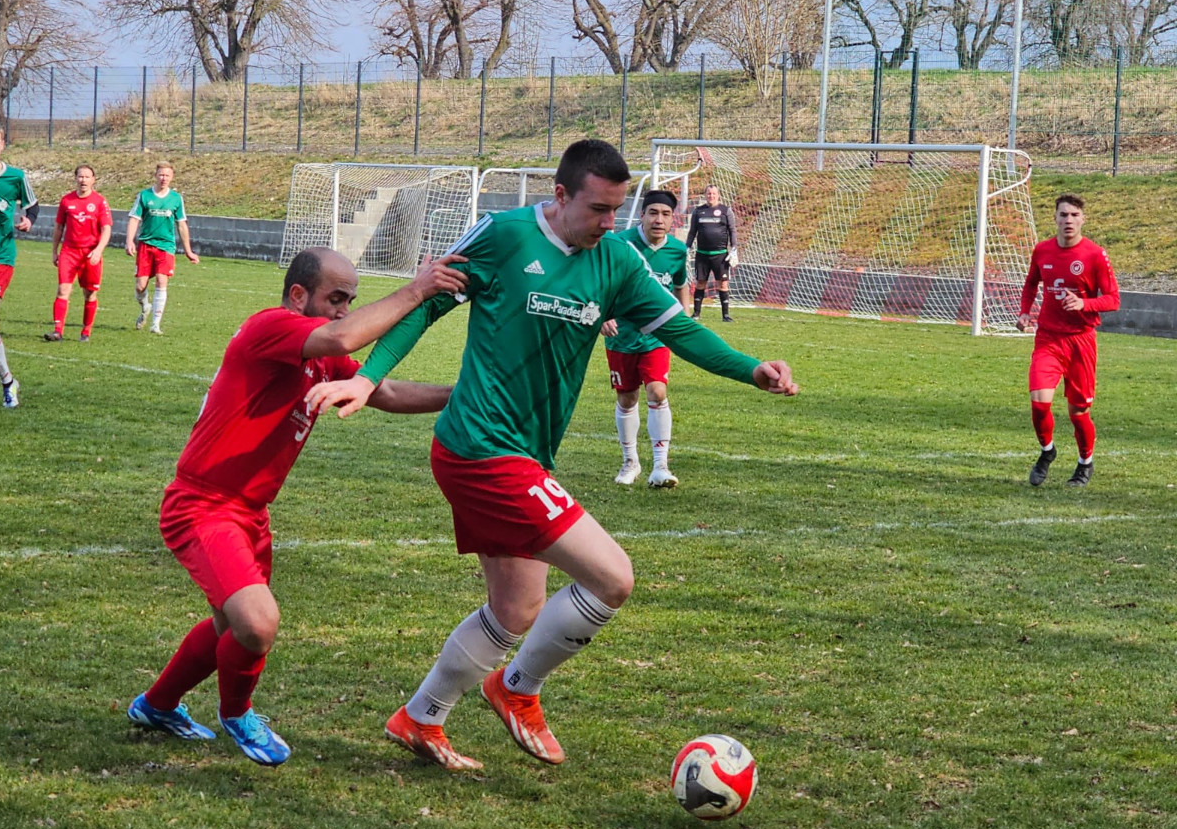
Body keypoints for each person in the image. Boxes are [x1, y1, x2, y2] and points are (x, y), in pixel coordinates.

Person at [305, 139, 798, 772]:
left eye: (617, 211)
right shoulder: (505, 236)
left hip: (523, 454)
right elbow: (425, 305)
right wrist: (368, 377)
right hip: (481, 447)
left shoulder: (616, 261)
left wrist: (749, 368)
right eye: (597, 209)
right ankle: (516, 688)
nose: (608, 224)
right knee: (612, 577)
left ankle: (420, 717)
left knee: (516, 608)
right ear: (560, 196)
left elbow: (677, 328)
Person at [127, 247, 468, 766]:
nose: (343, 309)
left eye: (350, 300)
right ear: (297, 295)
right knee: (257, 623)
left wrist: (463, 392)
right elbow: (341, 335)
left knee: (229, 627)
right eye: (336, 298)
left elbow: (387, 390)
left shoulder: (321, 354)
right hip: (203, 504)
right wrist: (418, 289)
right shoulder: (273, 326)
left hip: (250, 514)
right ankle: (238, 714)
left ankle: (156, 705)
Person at [1016, 194, 1120, 488]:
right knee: (1038, 402)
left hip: (1081, 342)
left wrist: (1084, 304)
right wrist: (1025, 313)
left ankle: (1085, 463)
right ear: (1055, 219)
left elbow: (1113, 299)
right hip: (1048, 338)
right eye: (1063, 215)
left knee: (1078, 413)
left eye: (1074, 215)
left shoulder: (1095, 255)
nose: (1069, 220)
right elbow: (1031, 283)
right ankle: (1047, 452)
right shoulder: (1042, 250)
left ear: (1082, 219)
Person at [601, 189, 690, 488]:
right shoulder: (620, 243)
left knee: (657, 392)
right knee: (627, 398)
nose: (659, 219)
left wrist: (684, 320)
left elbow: (680, 285)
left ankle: (660, 466)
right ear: (642, 214)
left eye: (665, 214)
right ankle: (630, 462)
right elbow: (600, 282)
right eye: (653, 212)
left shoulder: (677, 250)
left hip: (657, 335)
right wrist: (602, 315)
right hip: (621, 335)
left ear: (672, 218)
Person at [0, 121, 38, 411]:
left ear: (3, 145)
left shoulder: (15, 177)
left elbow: (33, 205)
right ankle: (8, 382)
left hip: (0, 257)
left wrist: (28, 220)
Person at [124, 162, 200, 335]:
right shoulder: (144, 195)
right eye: (161, 175)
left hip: (166, 246)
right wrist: (129, 241)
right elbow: (134, 219)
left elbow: (181, 225)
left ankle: (155, 325)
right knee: (140, 286)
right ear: (155, 176)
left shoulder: (176, 198)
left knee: (161, 280)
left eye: (167, 175)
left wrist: (188, 251)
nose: (164, 178)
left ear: (172, 177)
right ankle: (145, 307)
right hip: (145, 244)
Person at [45, 164, 113, 342]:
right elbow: (59, 227)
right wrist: (54, 251)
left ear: (93, 179)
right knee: (63, 289)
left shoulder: (99, 201)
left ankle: (86, 331)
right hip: (69, 251)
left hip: (90, 253)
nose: (83, 180)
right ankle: (57, 331)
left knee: (90, 293)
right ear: (75, 178)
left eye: (87, 177)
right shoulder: (66, 201)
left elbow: (106, 229)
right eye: (80, 176)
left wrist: (98, 250)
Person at [685, 185, 737, 322]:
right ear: (705, 195)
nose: (711, 196)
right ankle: (696, 314)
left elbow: (732, 230)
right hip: (702, 255)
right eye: (709, 193)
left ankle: (725, 315)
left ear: (718, 195)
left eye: (714, 194)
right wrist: (686, 248)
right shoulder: (698, 211)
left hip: (720, 256)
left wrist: (734, 248)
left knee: (723, 284)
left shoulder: (726, 211)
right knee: (700, 283)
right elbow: (692, 232)